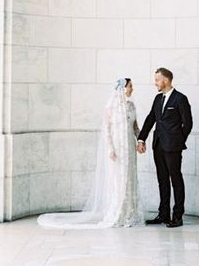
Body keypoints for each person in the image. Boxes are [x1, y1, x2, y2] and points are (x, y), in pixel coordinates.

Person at [37, 78, 144, 229]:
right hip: (118, 150)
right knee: (118, 181)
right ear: (122, 89)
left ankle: (130, 214)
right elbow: (107, 130)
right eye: (130, 86)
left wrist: (141, 141)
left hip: (130, 150)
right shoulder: (110, 107)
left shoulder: (131, 106)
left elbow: (135, 128)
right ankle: (118, 213)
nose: (132, 89)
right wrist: (110, 149)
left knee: (130, 179)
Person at [137, 68, 193, 228]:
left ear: (166, 80)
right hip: (158, 145)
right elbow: (150, 119)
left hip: (173, 147)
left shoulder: (180, 99)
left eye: (157, 80)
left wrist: (178, 141)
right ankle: (163, 214)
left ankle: (177, 216)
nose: (155, 83)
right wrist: (141, 139)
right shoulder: (157, 98)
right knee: (162, 180)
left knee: (175, 179)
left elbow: (187, 123)